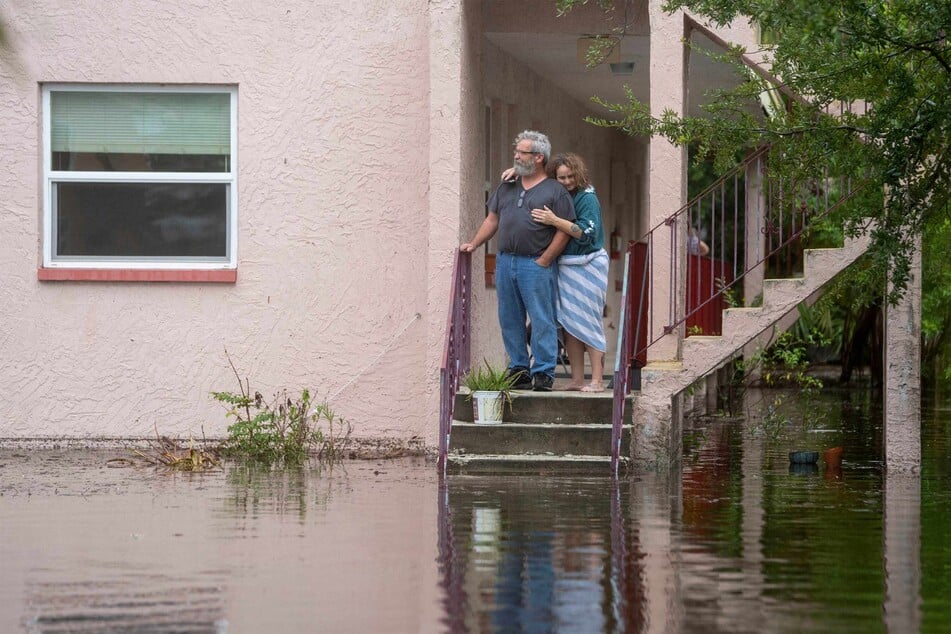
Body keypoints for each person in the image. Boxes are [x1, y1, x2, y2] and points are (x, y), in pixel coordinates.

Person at [461, 131, 576, 392]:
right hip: (505, 261)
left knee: (541, 317)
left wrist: (546, 259)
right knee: (509, 317)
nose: (515, 155)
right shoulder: (507, 185)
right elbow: (492, 219)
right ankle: (519, 367)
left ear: (538, 157)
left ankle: (544, 371)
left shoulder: (555, 191)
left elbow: (565, 230)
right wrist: (474, 244)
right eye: (516, 151)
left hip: (535, 263)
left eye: (521, 152)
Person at [526, 153, 610, 392]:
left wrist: (554, 220)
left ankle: (596, 380)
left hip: (588, 264)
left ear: (578, 174)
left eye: (570, 176)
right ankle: (577, 379)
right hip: (565, 266)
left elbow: (586, 233)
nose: (566, 181)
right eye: (561, 177)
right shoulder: (559, 195)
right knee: (570, 323)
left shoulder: (587, 197)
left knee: (589, 321)